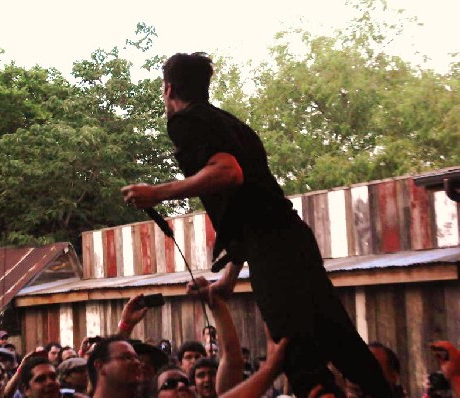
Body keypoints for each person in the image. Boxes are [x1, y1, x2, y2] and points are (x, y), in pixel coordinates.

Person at [121, 52, 391, 398]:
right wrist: (230, 278)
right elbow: (249, 208)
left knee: (294, 352)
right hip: (289, 239)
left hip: (274, 247)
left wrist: (156, 193)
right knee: (339, 340)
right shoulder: (233, 125)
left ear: (168, 88)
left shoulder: (185, 121)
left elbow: (228, 173)